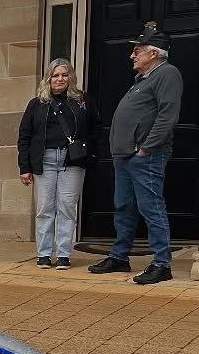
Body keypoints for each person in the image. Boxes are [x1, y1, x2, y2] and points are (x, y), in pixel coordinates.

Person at [88, 24, 183, 285]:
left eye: (137, 51)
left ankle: (162, 264)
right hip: (125, 155)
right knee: (123, 207)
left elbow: (167, 116)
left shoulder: (167, 74)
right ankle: (120, 257)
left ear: (154, 53)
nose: (132, 56)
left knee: (151, 207)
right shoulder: (142, 80)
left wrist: (146, 147)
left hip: (146, 156)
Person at [16, 59, 95, 270]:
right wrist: (25, 167)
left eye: (64, 75)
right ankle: (43, 254)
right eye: (55, 75)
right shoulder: (36, 104)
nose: (60, 79)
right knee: (44, 209)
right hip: (45, 161)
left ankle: (63, 254)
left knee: (67, 208)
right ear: (48, 78)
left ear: (71, 78)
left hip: (72, 162)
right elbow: (25, 136)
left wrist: (88, 151)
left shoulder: (82, 101)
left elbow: (96, 128)